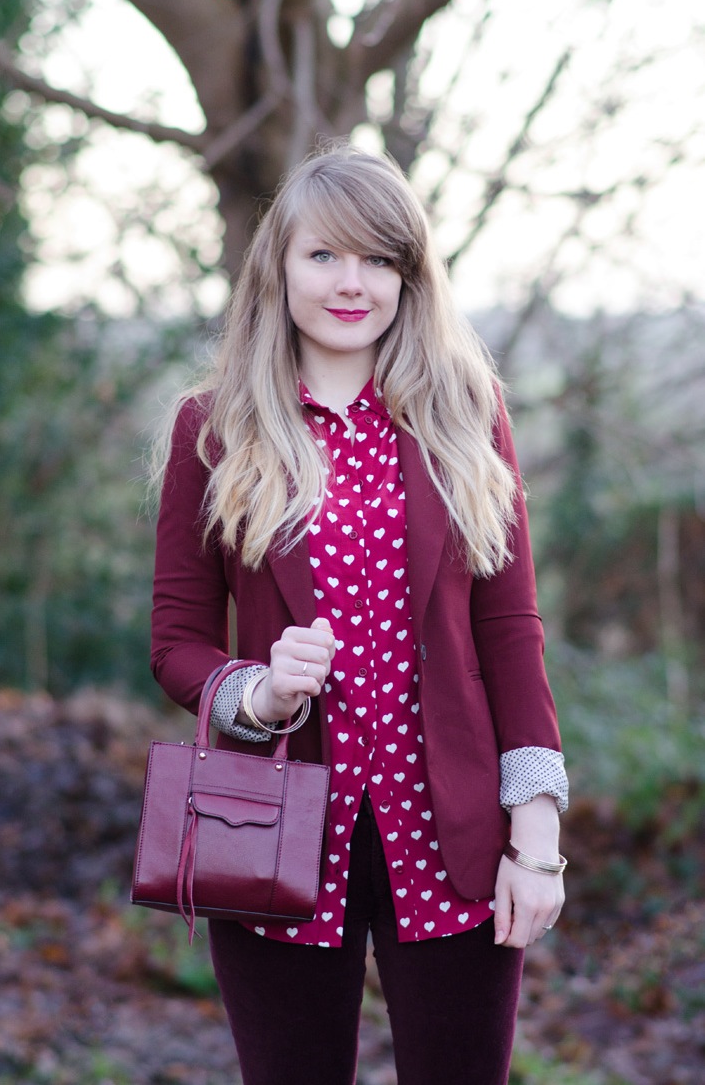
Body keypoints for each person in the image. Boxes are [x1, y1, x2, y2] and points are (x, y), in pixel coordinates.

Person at [150, 143, 568, 1085]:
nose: (355, 283)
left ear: (411, 277)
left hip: (453, 833)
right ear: (279, 266)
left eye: (383, 259)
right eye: (326, 255)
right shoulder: (214, 426)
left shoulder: (466, 410)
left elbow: (511, 631)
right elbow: (176, 639)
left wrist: (535, 840)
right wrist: (254, 693)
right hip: (271, 839)